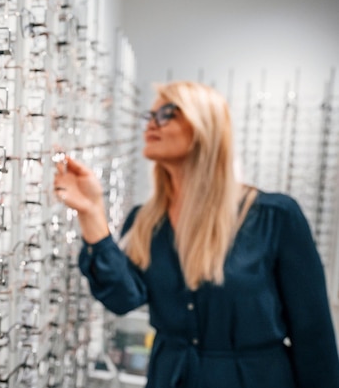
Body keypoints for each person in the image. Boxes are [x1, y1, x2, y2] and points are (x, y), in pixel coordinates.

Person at [53, 81, 339, 388]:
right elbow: (125, 298)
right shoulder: (146, 221)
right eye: (148, 116)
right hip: (172, 376)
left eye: (166, 114)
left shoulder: (274, 217)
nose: (151, 124)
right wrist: (91, 211)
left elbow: (313, 335)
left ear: (206, 124)